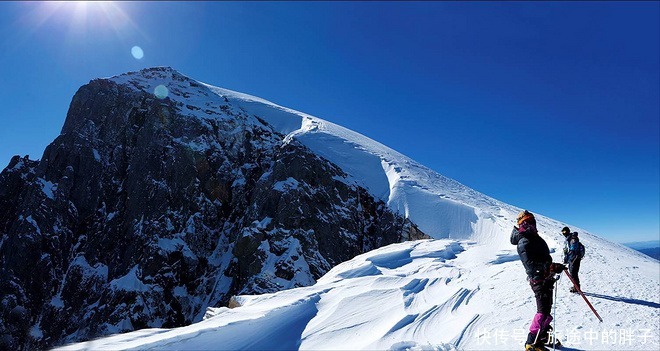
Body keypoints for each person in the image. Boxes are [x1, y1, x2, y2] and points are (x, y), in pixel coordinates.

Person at [511, 210, 565, 351]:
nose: (531, 224)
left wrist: (551, 267)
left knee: (547, 309)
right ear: (522, 224)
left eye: (532, 222)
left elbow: (542, 258)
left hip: (546, 278)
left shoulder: (534, 237)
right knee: (542, 311)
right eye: (528, 222)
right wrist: (550, 267)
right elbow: (531, 265)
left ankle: (542, 336)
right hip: (538, 280)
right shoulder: (524, 241)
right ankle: (531, 342)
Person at [562, 226, 584, 293]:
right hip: (573, 258)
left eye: (565, 232)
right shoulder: (569, 239)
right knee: (573, 273)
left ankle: (576, 288)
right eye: (562, 232)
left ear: (568, 231)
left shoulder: (573, 239)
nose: (563, 233)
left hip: (574, 259)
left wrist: (567, 258)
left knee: (573, 273)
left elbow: (572, 250)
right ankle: (576, 287)